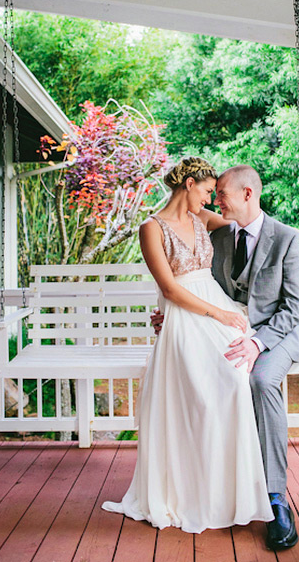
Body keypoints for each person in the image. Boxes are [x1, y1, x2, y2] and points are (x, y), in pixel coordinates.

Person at [102, 157, 273, 534]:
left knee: (233, 382)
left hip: (215, 308)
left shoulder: (203, 220)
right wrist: (218, 314)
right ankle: (189, 494)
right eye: (208, 191)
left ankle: (229, 493)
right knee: (196, 399)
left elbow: (250, 222)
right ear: (189, 184)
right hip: (185, 315)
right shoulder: (152, 228)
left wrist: (292, 235)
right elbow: (169, 288)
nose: (212, 200)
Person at [154, 164, 299, 550]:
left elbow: (294, 308)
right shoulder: (219, 235)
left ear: (247, 194)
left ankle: (275, 498)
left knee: (257, 380)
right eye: (214, 192)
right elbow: (194, 286)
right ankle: (221, 484)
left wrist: (258, 343)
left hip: (279, 334)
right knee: (212, 378)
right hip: (228, 329)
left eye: (221, 193)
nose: (216, 199)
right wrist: (170, 316)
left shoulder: (289, 239)